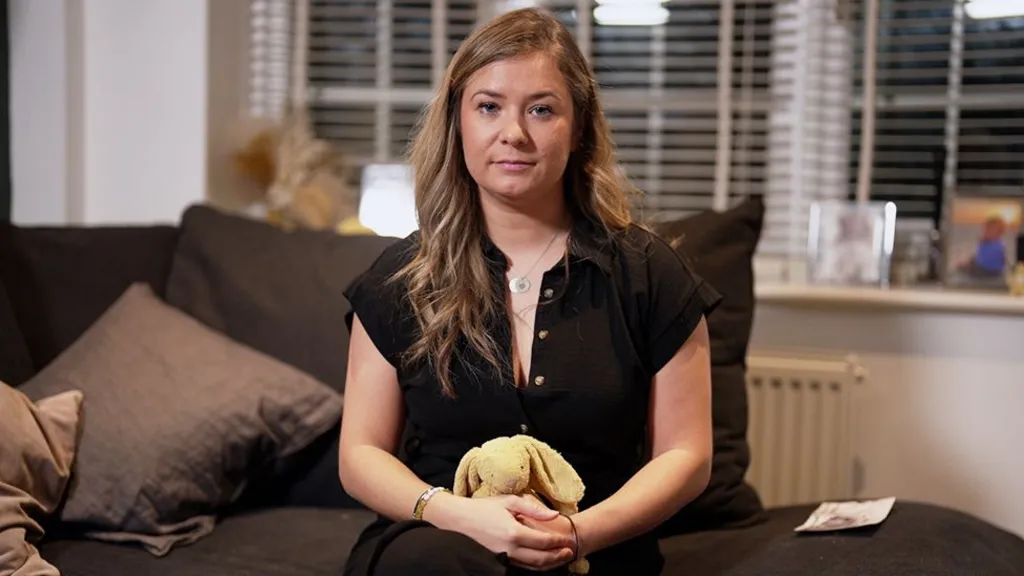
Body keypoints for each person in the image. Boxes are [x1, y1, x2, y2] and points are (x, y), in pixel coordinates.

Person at [338, 7, 719, 575]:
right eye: (488, 107)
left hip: (595, 550)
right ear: (458, 123)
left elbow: (687, 456)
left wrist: (576, 533)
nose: (512, 133)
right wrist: (457, 515)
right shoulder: (401, 278)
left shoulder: (649, 274)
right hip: (439, 545)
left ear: (579, 128)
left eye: (541, 109)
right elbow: (360, 455)